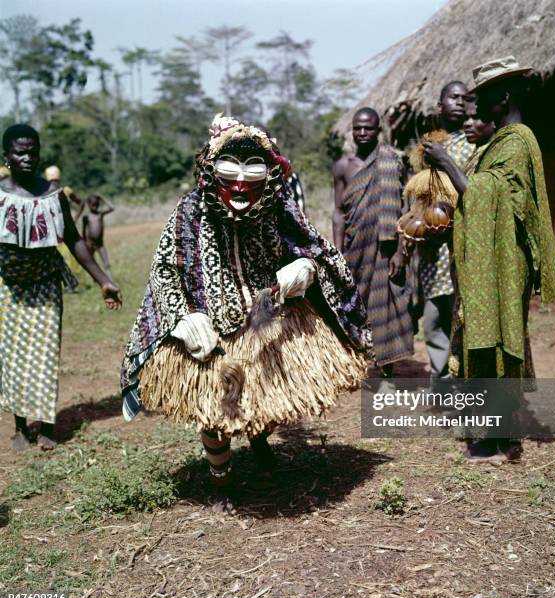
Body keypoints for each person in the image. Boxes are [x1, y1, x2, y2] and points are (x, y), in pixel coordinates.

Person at [121, 115, 371, 510]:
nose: (240, 185)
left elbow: (315, 250)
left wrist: (305, 269)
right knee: (215, 412)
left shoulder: (279, 209)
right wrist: (183, 317)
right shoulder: (190, 213)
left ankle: (257, 439)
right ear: (210, 172)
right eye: (229, 172)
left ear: (268, 176)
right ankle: (221, 481)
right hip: (209, 326)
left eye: (252, 172)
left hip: (267, 320)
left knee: (267, 399)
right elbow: (164, 270)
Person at [424, 56, 555, 460]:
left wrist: (447, 163)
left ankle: (498, 438)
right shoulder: (501, 140)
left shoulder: (516, 142)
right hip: (496, 257)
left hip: (505, 260)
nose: (475, 108)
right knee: (491, 335)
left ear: (502, 97)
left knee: (497, 339)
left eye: (482, 98)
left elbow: (486, 194)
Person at [0, 125, 122, 450]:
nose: (27, 157)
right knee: (12, 357)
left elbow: (74, 240)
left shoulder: (53, 194)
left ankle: (47, 428)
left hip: (44, 285)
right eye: (19, 152)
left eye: (32, 151)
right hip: (7, 288)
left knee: (44, 354)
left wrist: (104, 280)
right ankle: (20, 427)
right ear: (6, 156)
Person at [332, 107, 413, 381]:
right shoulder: (343, 166)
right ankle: (359, 363)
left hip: (385, 249)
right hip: (356, 249)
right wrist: (338, 252)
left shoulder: (392, 161)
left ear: (379, 130)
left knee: (386, 305)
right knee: (357, 307)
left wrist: (401, 250)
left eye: (368, 128)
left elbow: (404, 208)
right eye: (358, 128)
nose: (362, 133)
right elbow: (338, 212)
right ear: (352, 130)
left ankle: (387, 366)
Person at [412, 83, 475, 390]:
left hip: (460, 243)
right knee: (434, 317)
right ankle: (441, 382)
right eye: (454, 97)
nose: (460, 103)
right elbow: (420, 193)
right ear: (439, 105)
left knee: (462, 315)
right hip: (432, 248)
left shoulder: (475, 143)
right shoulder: (426, 146)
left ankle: (464, 383)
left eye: (465, 98)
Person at [83, 194, 114, 281]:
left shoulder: (100, 214)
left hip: (100, 244)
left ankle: (110, 280)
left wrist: (102, 198)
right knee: (92, 263)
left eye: (97, 204)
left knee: (106, 263)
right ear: (89, 205)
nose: (95, 207)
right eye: (93, 204)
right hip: (90, 244)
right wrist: (85, 243)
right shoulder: (86, 217)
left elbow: (112, 208)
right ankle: (95, 279)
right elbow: (83, 232)